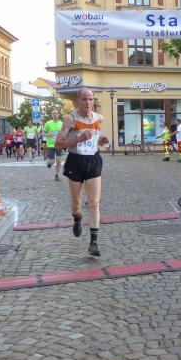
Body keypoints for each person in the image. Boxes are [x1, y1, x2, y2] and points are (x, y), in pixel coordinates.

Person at [54, 89, 110, 257]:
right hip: (75, 161)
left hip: (93, 161)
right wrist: (78, 139)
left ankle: (94, 242)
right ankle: (77, 218)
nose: (87, 102)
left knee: (94, 202)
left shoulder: (98, 118)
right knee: (76, 204)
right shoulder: (70, 119)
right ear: (78, 100)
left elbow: (96, 139)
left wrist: (102, 140)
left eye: (90, 99)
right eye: (84, 99)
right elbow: (58, 144)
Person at [44, 109, 64, 181]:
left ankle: (56, 175)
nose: (55, 114)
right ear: (51, 115)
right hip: (50, 145)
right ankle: (49, 163)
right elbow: (42, 133)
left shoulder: (61, 123)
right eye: (53, 113)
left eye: (56, 113)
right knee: (52, 161)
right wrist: (48, 135)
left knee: (58, 160)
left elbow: (64, 132)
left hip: (59, 144)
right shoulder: (48, 123)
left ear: (58, 115)